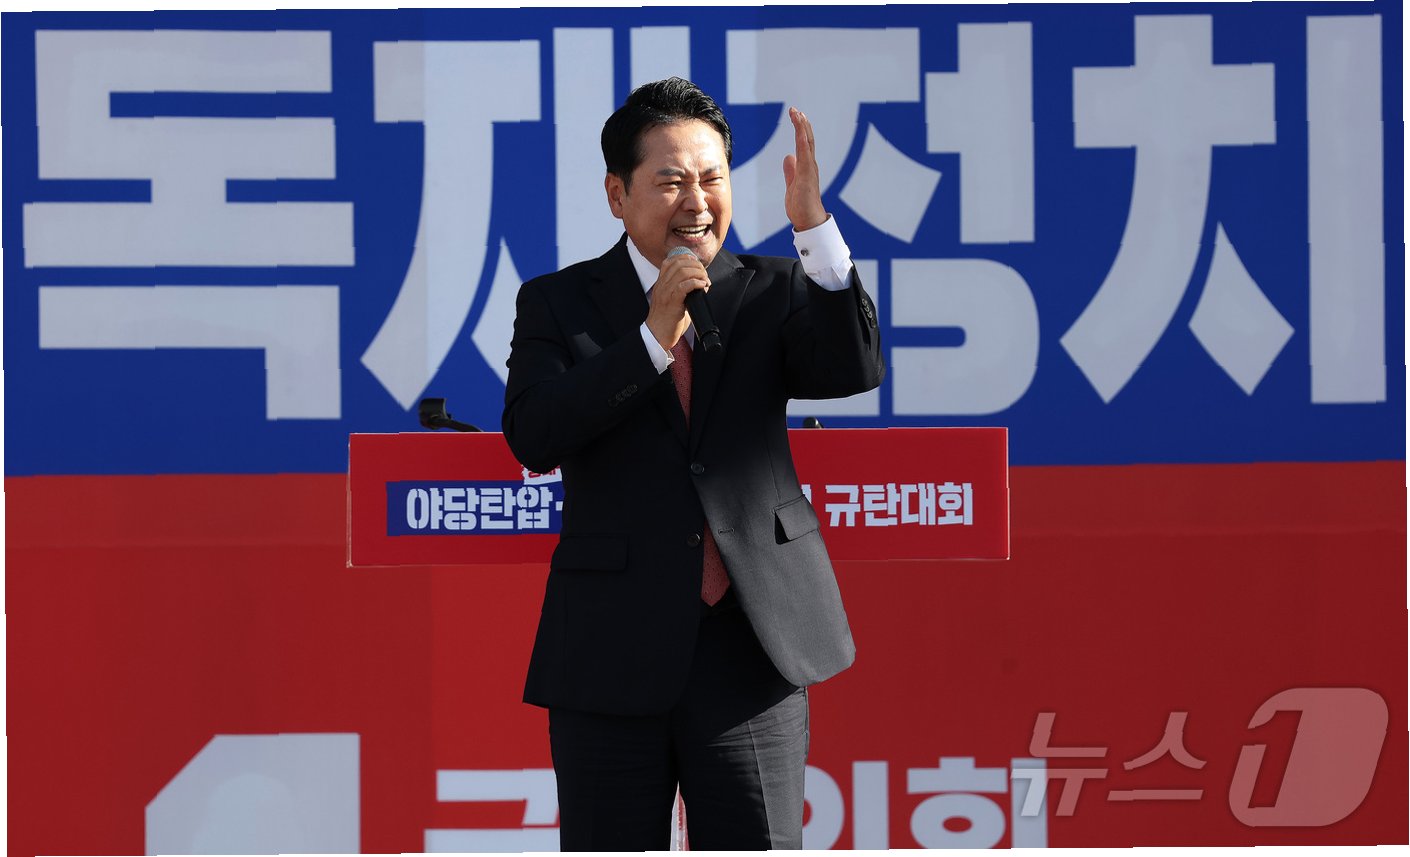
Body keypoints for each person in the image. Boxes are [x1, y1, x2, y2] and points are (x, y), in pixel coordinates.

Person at [502, 77, 883, 850]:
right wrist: (651, 337)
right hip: (611, 651)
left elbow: (853, 367)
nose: (698, 201)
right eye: (672, 180)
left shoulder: (773, 288)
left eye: (713, 178)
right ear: (617, 193)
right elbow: (535, 432)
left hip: (751, 643)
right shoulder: (558, 302)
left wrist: (813, 229)